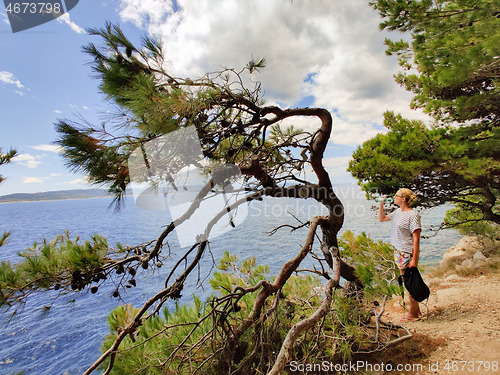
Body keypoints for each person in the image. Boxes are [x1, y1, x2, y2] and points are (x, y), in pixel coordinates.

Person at [379, 188, 422, 321]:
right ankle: (417, 311)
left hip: (407, 252)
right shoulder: (397, 212)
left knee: (409, 283)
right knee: (409, 281)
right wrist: (381, 204)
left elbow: (416, 239)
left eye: (396, 195)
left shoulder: (413, 215)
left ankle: (412, 314)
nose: (394, 197)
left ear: (403, 199)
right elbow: (382, 218)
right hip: (399, 251)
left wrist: (414, 259)